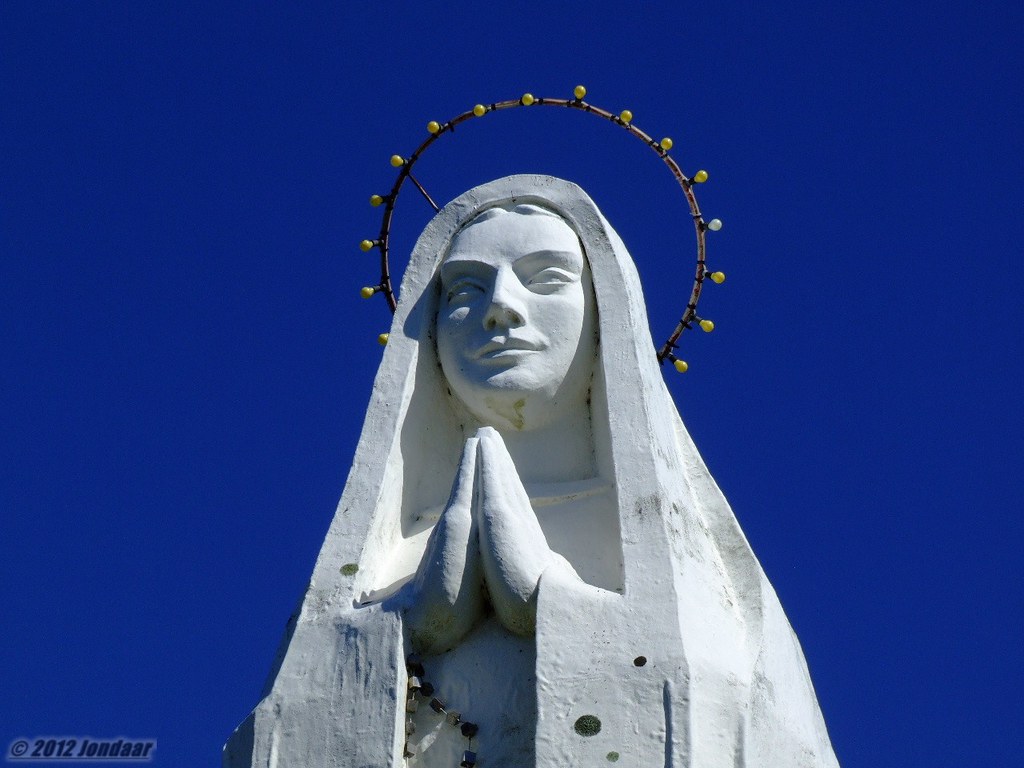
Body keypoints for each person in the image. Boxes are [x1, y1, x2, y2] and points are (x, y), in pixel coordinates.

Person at [225, 175, 839, 768]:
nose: (500, 309)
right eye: (464, 289)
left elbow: (733, 723)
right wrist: (409, 620)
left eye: (545, 278)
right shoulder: (385, 552)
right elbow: (279, 732)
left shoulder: (695, 566)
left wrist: (550, 601)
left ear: (604, 310)